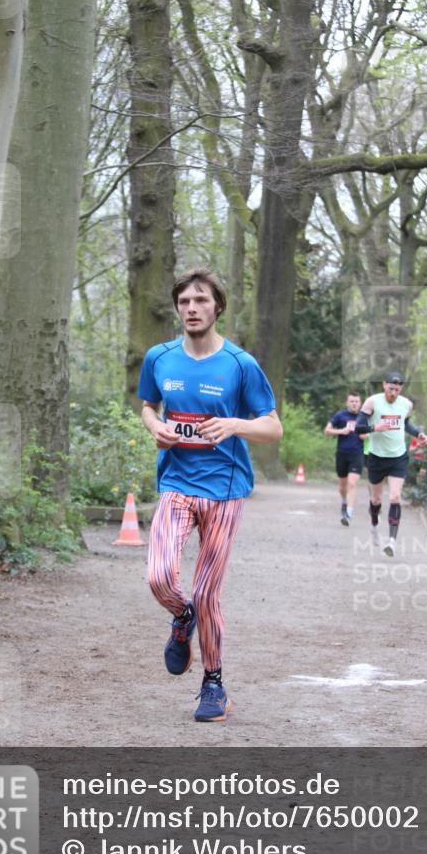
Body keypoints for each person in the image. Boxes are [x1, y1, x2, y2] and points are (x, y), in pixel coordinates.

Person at [138, 267, 283, 722]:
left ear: (217, 306)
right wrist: (156, 428)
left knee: (207, 593)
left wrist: (236, 424)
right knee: (160, 577)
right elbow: (147, 406)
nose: (192, 309)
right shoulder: (159, 358)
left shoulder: (241, 364)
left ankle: (213, 685)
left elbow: (273, 427)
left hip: (224, 490)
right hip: (176, 484)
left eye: (201, 300)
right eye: (184, 302)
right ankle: (183, 619)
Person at [354, 372, 427, 556]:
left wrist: (418, 434)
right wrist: (375, 427)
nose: (393, 393)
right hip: (376, 457)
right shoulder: (372, 402)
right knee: (376, 499)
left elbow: (406, 424)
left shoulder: (406, 404)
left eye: (397, 389)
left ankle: (392, 541)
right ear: (384, 385)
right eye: (390, 388)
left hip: (398, 457)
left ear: (401, 389)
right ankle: (374, 525)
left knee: (395, 497)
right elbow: (358, 428)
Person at [324, 392, 364, 526]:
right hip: (342, 453)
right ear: (347, 403)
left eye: (357, 401)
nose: (354, 404)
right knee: (342, 486)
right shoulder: (340, 415)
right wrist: (341, 431)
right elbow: (327, 430)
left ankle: (349, 513)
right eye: (352, 401)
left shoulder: (364, 417)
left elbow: (373, 432)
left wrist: (367, 435)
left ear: (360, 403)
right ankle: (344, 501)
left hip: (357, 454)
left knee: (352, 483)